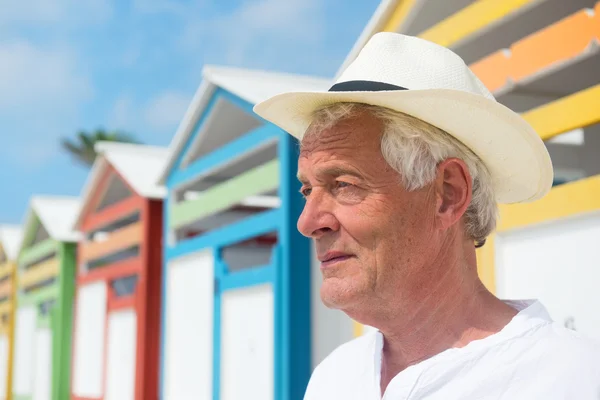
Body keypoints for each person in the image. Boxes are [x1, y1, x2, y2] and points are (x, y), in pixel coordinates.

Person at [254, 32, 600, 399]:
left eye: (343, 184)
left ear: (448, 194)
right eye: (307, 189)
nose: (307, 223)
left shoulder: (573, 380)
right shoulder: (334, 377)